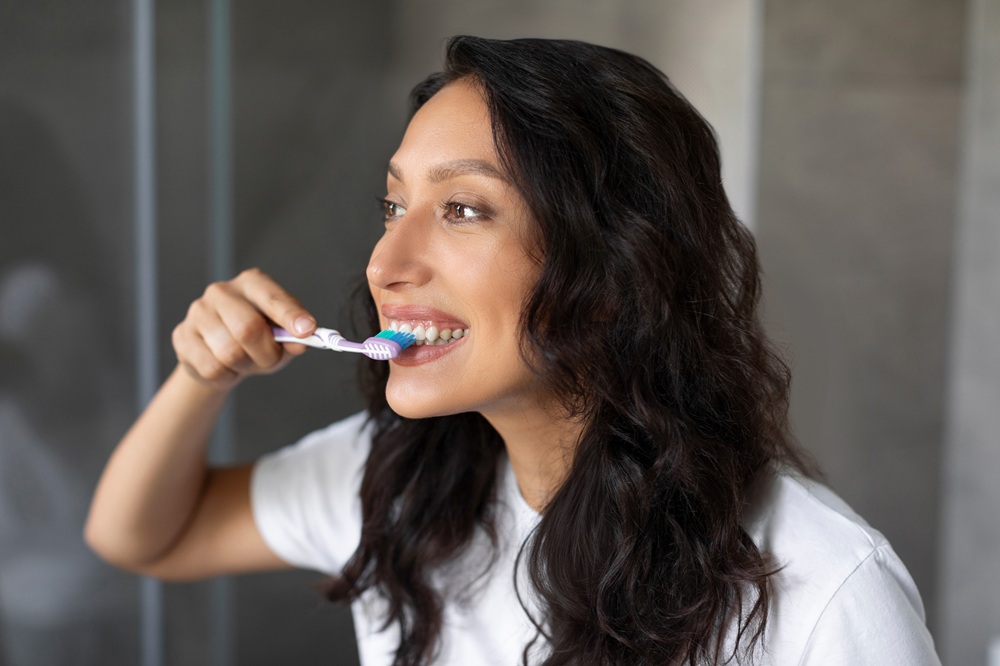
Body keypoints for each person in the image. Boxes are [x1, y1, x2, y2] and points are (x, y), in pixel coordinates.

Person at [86, 36, 941, 665]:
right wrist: (202, 377)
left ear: (613, 269)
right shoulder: (402, 487)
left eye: (463, 209)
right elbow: (142, 537)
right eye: (393, 207)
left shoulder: (822, 590)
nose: (386, 263)